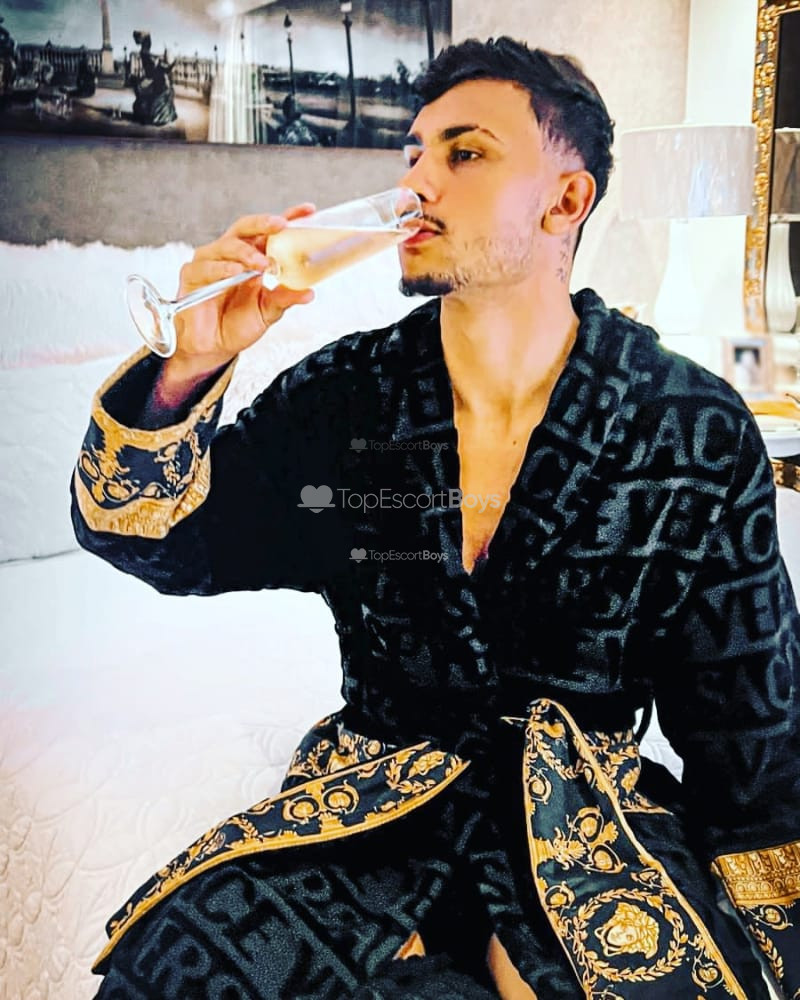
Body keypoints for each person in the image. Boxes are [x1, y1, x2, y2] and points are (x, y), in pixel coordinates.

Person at [71, 36, 800, 1000]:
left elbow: (749, 728)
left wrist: (777, 934)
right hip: (372, 803)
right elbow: (158, 539)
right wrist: (190, 365)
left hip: (586, 823)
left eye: (466, 153)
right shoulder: (347, 397)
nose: (417, 182)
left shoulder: (689, 425)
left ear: (565, 201)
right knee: (172, 976)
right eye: (414, 153)